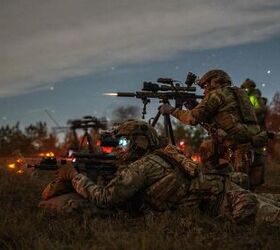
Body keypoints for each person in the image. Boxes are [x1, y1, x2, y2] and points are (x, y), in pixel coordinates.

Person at [40, 119, 280, 225]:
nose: (120, 149)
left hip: (228, 204)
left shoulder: (143, 166)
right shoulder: (164, 153)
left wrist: (73, 176)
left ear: (140, 142)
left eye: (124, 143)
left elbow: (105, 198)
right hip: (225, 191)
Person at [159, 69, 266, 189]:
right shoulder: (240, 93)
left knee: (240, 194)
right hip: (254, 143)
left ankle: (213, 186)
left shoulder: (216, 95)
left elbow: (192, 119)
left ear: (215, 82)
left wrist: (171, 110)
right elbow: (224, 117)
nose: (204, 90)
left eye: (206, 86)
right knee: (208, 146)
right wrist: (195, 105)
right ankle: (218, 182)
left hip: (238, 148)